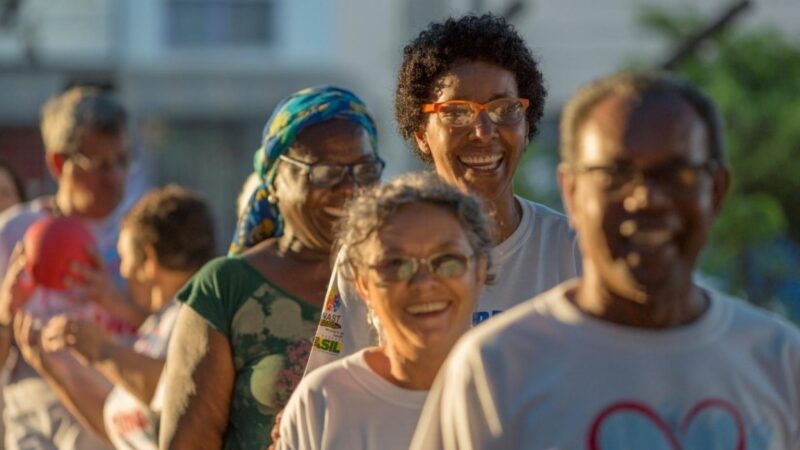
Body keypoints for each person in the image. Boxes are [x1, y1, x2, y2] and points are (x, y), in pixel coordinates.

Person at [410, 72, 800, 450]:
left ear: (716, 191)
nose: (646, 198)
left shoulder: (780, 362)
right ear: (572, 192)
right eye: (615, 175)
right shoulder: (494, 368)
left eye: (676, 174)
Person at [306, 13, 580, 373]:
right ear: (421, 131)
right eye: (456, 113)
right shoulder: (373, 250)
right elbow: (334, 393)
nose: (484, 131)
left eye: (504, 109)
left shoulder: (575, 251)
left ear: (527, 124)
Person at [158, 86, 384, 450]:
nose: (351, 189)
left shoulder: (404, 276)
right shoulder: (226, 289)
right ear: (275, 180)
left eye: (366, 169)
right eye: (327, 171)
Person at [277, 172, 491, 450]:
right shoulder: (322, 402)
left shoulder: (523, 390)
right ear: (362, 284)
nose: (424, 284)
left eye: (447, 260)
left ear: (480, 270)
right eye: (395, 264)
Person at [9, 185, 215, 450]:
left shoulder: (199, 316)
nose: (123, 272)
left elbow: (176, 389)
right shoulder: (158, 326)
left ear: (149, 259)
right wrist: (52, 367)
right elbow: (118, 428)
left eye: (123, 258)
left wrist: (103, 349)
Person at [0, 86, 137, 450]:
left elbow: (179, 344)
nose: (116, 178)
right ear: (60, 164)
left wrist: (117, 301)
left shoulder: (142, 234)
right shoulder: (13, 233)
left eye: (123, 161)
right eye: (101, 165)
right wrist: (5, 312)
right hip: (36, 431)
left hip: (113, 431)